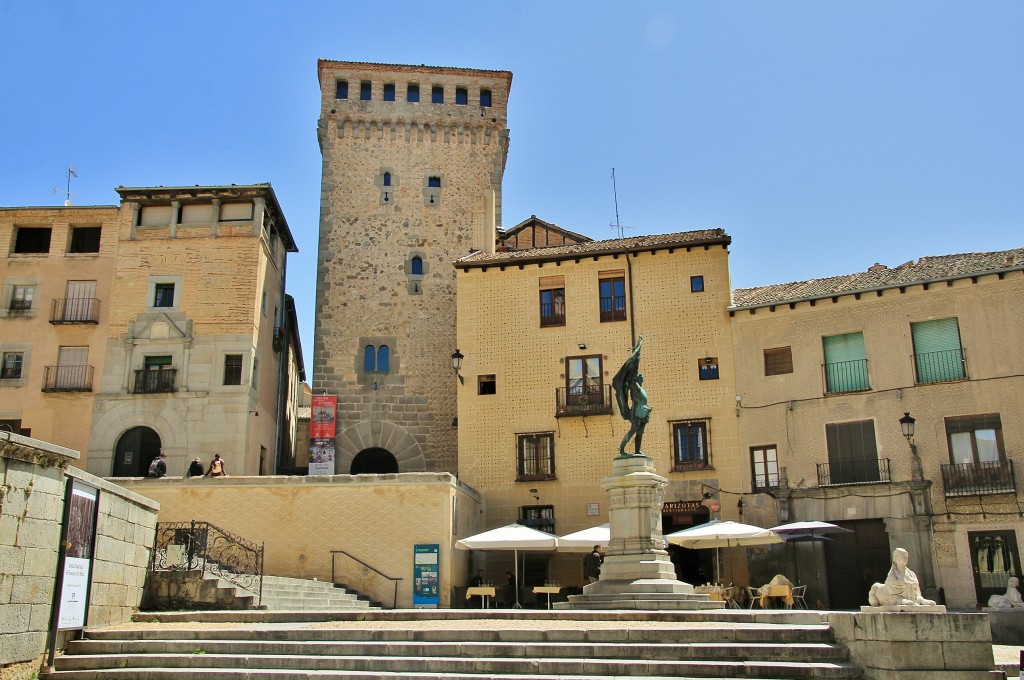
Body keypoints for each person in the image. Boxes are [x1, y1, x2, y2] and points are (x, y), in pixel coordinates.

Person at [612, 336, 653, 457]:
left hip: (644, 411)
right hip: (636, 412)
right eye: (641, 377)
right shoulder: (635, 386)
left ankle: (637, 451)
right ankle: (622, 447)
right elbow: (632, 376)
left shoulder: (641, 388)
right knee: (634, 430)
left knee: (640, 432)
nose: (643, 378)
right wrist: (637, 358)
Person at [868, 548, 936, 606]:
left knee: (918, 598)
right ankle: (902, 601)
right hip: (891, 596)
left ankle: (920, 600)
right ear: (896, 558)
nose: (905, 558)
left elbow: (915, 591)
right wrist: (902, 600)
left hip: (912, 597)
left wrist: (918, 597)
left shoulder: (911, 574)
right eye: (903, 556)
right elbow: (891, 596)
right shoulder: (892, 576)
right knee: (875, 590)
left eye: (906, 556)